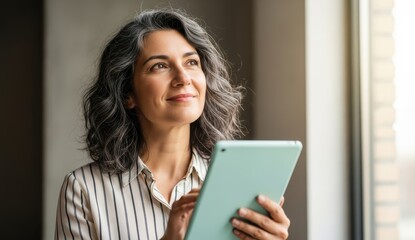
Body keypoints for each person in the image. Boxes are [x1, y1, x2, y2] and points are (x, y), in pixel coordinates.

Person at [55, 9, 290, 240]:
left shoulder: (242, 184)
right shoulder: (84, 189)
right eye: (160, 66)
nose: (183, 78)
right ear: (127, 93)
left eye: (191, 62)